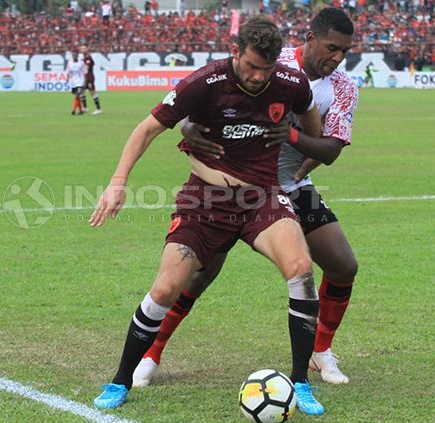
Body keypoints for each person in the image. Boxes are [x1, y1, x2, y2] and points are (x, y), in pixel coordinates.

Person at [90, 16, 327, 415]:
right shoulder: (206, 82)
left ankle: (301, 382)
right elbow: (147, 128)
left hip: (262, 198)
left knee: (301, 269)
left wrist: (298, 143)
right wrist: (118, 181)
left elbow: (311, 123)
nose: (257, 77)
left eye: (266, 69)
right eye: (251, 66)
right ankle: (120, 380)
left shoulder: (290, 83)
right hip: (205, 201)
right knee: (166, 289)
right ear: (235, 52)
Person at [133, 7, 359, 388]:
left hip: (287, 188)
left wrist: (290, 137)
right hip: (231, 187)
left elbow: (330, 150)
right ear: (310, 39)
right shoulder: (271, 61)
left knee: (342, 265)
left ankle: (321, 352)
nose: (336, 58)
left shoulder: (345, 88)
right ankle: (151, 353)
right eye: (331, 48)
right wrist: (189, 125)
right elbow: (208, 100)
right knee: (197, 278)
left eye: (344, 52)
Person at [79, 45, 102, 115]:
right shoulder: (85, 58)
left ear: (86, 49)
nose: (82, 49)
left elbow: (87, 68)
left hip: (89, 77)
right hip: (85, 77)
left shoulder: (88, 57)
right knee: (81, 92)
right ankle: (85, 108)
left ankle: (98, 109)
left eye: (83, 48)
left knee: (92, 92)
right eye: (81, 48)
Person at [66, 51, 86, 115]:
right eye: (73, 55)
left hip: (80, 82)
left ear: (77, 56)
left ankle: (73, 110)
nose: (74, 57)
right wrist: (67, 78)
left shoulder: (81, 63)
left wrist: (84, 81)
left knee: (77, 95)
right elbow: (68, 72)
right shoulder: (70, 63)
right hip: (73, 82)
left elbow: (84, 72)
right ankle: (80, 111)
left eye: (75, 55)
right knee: (77, 96)